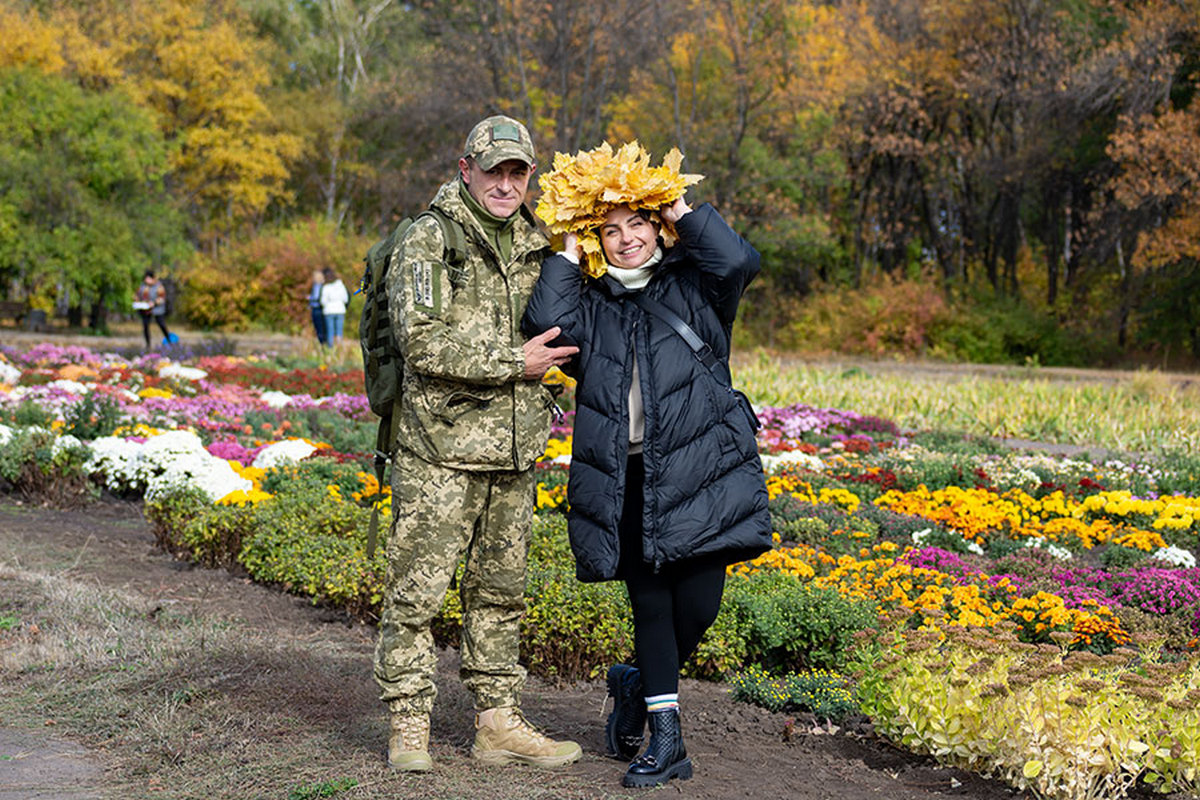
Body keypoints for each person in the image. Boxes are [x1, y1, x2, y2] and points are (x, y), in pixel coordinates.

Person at [521, 142, 772, 788]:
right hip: (624, 478)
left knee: (699, 607)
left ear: (658, 227)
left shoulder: (698, 286)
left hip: (700, 471)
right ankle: (666, 737)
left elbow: (738, 257)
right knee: (651, 604)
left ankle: (636, 684)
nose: (626, 238)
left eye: (637, 224)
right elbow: (545, 327)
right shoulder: (594, 302)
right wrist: (569, 250)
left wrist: (678, 204)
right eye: (611, 228)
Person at [375, 114, 581, 773]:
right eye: (494, 170)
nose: (505, 182)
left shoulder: (537, 245)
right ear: (467, 170)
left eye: (517, 172)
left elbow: (556, 338)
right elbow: (421, 341)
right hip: (440, 453)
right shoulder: (430, 240)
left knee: (500, 595)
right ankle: (409, 724)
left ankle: (497, 724)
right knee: (415, 594)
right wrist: (512, 362)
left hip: (514, 455)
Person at [135, 270, 171, 348]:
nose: (146, 280)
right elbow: (138, 295)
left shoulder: (159, 286)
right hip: (145, 309)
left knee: (162, 325)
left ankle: (169, 341)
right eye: (146, 279)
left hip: (157, 309)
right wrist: (137, 300)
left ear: (152, 279)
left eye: (148, 279)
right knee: (145, 326)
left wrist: (154, 303)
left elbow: (162, 298)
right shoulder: (142, 286)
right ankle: (148, 344)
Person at [319, 267, 349, 344]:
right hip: (340, 310)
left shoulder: (326, 287)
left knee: (330, 331)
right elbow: (345, 299)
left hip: (329, 311)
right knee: (339, 331)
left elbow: (323, 301)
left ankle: (331, 349)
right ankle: (338, 348)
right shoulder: (341, 286)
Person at [309, 269, 327, 345]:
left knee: (320, 329)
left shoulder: (319, 286)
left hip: (318, 309)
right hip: (318, 308)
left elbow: (317, 297)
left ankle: (323, 345)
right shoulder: (318, 285)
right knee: (320, 328)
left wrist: (311, 299)